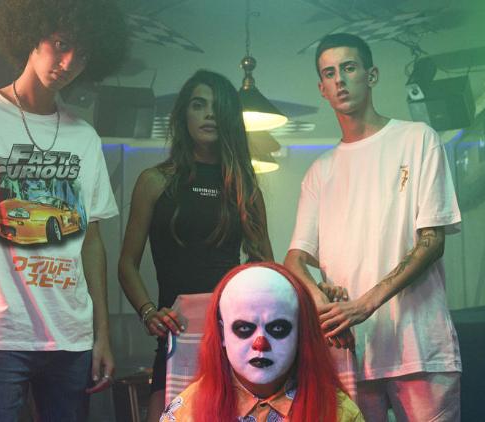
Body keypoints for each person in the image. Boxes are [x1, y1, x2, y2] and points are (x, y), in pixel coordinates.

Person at [0, 0, 127, 420]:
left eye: (82, 54)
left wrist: (101, 336)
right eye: (61, 44)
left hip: (71, 339)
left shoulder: (85, 136)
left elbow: (91, 243)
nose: (68, 63)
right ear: (31, 34)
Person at [284, 33, 462, 421]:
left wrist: (365, 303)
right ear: (322, 89)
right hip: (350, 352)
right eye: (329, 73)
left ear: (371, 75)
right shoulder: (320, 171)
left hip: (420, 346)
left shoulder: (418, 139)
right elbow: (295, 259)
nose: (339, 80)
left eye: (349, 68)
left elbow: (432, 241)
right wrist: (321, 300)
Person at [118, 69, 274, 421]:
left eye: (217, 107)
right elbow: (126, 263)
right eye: (199, 105)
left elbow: (266, 268)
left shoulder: (244, 187)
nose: (209, 114)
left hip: (234, 334)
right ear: (183, 115)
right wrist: (148, 312)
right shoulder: (155, 181)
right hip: (178, 334)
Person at [160, 262, 364, 422]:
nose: (260, 343)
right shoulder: (186, 413)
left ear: (300, 333)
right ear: (222, 334)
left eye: (278, 328)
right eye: (244, 329)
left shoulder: (338, 413)